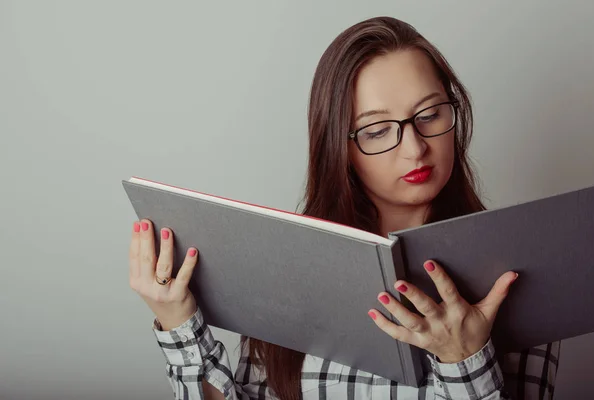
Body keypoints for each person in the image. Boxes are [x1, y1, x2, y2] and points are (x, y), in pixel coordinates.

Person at [128, 16, 560, 399]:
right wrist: (179, 323)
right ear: (340, 146)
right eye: (376, 130)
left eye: (429, 115)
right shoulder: (288, 268)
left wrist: (464, 360)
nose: (414, 148)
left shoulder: (514, 273)